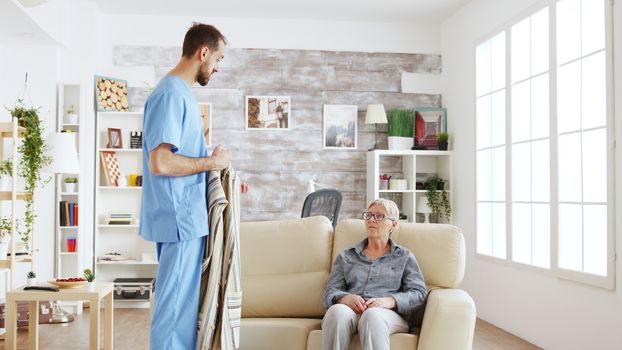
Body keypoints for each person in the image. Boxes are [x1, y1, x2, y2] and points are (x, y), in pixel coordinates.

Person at [139, 22, 232, 350]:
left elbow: (182, 157)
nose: (218, 67)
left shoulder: (181, 95)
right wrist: (211, 163)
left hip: (186, 219)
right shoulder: (169, 94)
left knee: (182, 311)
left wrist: (215, 165)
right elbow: (160, 163)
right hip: (179, 220)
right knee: (173, 310)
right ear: (203, 52)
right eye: (218, 58)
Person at [322, 199, 427, 350]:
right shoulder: (346, 256)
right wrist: (345, 298)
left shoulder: (404, 257)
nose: (372, 219)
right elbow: (329, 293)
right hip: (352, 312)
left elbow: (419, 293)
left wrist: (390, 301)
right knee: (336, 312)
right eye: (368, 215)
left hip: (387, 314)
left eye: (379, 216)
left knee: (372, 316)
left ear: (394, 224)